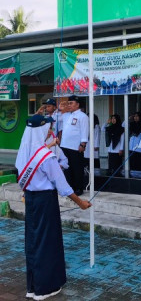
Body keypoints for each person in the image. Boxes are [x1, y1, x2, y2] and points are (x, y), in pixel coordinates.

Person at [15, 114, 91, 301]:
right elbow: (62, 186)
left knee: (33, 242)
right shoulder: (46, 157)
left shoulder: (24, 152)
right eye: (47, 128)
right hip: (45, 201)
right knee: (47, 243)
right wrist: (81, 203)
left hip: (31, 200)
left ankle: (32, 288)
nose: (50, 131)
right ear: (41, 130)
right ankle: (45, 288)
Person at [60, 95, 89, 196]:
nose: (69, 105)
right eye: (68, 103)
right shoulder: (66, 115)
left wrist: (83, 144)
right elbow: (57, 116)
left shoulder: (83, 116)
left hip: (75, 147)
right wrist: (62, 108)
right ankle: (69, 187)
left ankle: (79, 188)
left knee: (77, 168)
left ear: (77, 104)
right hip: (65, 146)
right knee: (67, 168)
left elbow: (85, 131)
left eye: (71, 103)